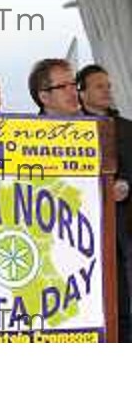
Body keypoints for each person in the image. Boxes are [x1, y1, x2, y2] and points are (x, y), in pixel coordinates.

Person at [29, 59, 130, 341]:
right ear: (44, 96)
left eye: (74, 84)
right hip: (56, 256)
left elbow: (111, 175)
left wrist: (115, 187)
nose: (73, 91)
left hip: (103, 247)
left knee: (118, 319)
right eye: (64, 86)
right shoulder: (27, 137)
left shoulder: (99, 129)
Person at [77, 64, 132, 342]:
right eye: (99, 86)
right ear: (81, 92)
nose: (107, 90)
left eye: (108, 85)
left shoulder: (126, 127)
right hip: (87, 227)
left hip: (125, 222)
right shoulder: (72, 128)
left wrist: (125, 183)